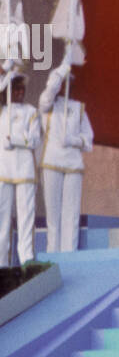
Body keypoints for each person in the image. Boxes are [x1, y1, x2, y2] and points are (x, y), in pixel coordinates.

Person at [38, 54, 93, 252]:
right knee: (53, 216)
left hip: (73, 164)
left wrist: (74, 141)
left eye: (68, 82)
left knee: (71, 214)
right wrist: (63, 67)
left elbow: (89, 141)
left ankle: (70, 255)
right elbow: (50, 89)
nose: (64, 86)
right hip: (52, 162)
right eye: (62, 82)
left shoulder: (79, 109)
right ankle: (54, 255)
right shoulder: (47, 104)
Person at [0, 68, 40, 263]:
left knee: (25, 218)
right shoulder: (2, 111)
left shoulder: (31, 112)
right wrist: (6, 72)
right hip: (3, 170)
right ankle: (1, 263)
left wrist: (14, 139)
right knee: (2, 220)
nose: (20, 93)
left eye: (21, 90)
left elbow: (34, 140)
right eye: (15, 89)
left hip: (24, 169)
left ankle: (26, 260)